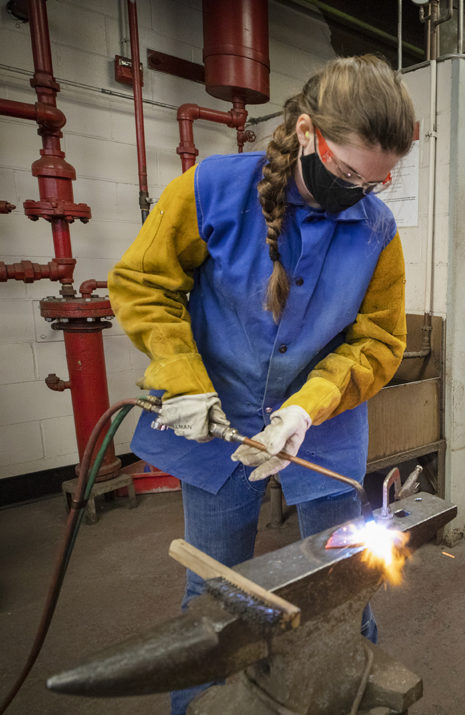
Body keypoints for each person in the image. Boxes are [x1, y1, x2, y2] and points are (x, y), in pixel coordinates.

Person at [108, 55, 416, 713]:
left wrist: (306, 407)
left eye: (376, 181)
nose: (358, 192)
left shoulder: (376, 232)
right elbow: (143, 285)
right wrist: (182, 381)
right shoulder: (209, 190)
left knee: (344, 580)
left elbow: (379, 342)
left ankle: (351, 691)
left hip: (322, 426)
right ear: (307, 132)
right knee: (219, 591)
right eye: (345, 172)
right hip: (213, 415)